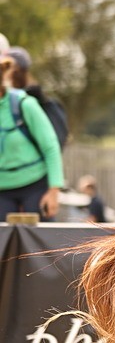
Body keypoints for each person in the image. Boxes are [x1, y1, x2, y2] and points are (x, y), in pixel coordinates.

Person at [0, 55, 63, 220]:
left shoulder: (25, 104)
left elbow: (50, 147)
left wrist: (54, 191)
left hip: (35, 184)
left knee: (41, 242)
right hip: (2, 188)